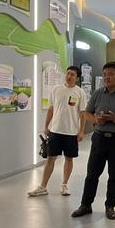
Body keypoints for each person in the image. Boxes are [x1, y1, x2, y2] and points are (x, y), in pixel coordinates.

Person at [71, 62, 115, 221]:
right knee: (92, 174)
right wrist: (96, 120)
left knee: (114, 175)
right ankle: (86, 205)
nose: (107, 77)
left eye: (111, 74)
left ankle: (110, 206)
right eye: (105, 74)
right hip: (99, 138)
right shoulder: (98, 93)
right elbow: (87, 113)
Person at [28, 66, 85, 198]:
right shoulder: (56, 89)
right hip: (55, 130)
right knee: (50, 158)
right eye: (68, 73)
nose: (69, 76)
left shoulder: (80, 92)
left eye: (72, 75)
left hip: (71, 132)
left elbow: (82, 114)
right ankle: (43, 186)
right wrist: (46, 126)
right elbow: (51, 109)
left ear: (77, 78)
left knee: (69, 158)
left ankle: (64, 185)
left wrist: (81, 131)